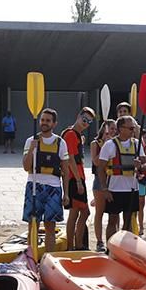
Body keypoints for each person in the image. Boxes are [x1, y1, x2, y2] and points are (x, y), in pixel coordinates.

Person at [22, 108, 69, 254]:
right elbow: (26, 166)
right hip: (34, 186)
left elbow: (65, 171)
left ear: (54, 123)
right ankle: (31, 258)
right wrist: (31, 149)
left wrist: (66, 194)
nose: (44, 123)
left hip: (53, 187)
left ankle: (49, 258)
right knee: (33, 225)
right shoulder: (31, 140)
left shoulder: (61, 143)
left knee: (50, 226)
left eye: (48, 121)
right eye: (42, 120)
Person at [98, 116, 144, 243]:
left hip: (132, 188)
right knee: (112, 220)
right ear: (120, 129)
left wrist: (140, 164)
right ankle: (110, 247)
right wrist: (104, 189)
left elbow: (144, 165)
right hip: (114, 189)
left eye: (133, 128)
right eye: (130, 128)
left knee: (128, 220)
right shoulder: (109, 145)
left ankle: (125, 248)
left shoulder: (137, 143)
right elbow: (100, 168)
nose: (132, 130)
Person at [61, 107, 95, 250]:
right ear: (78, 116)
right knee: (79, 212)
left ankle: (76, 244)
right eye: (84, 119)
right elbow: (70, 160)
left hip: (77, 177)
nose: (86, 123)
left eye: (89, 121)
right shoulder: (70, 134)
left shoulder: (75, 134)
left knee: (80, 213)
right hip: (74, 178)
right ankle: (74, 245)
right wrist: (79, 181)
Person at [90, 118, 117, 252]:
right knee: (99, 212)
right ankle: (100, 241)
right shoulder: (96, 143)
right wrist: (104, 147)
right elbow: (95, 162)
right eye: (111, 128)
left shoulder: (117, 143)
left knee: (114, 213)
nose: (113, 131)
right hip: (100, 181)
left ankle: (113, 241)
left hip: (114, 180)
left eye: (114, 129)